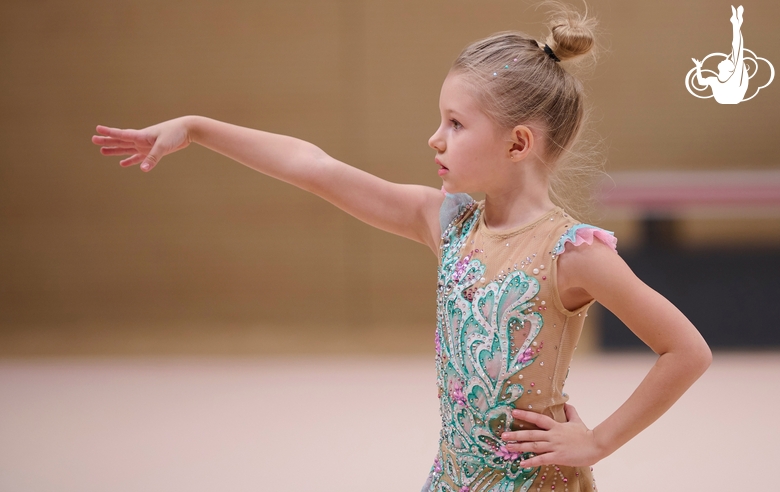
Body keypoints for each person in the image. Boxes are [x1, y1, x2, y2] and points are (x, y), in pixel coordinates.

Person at [91, 2, 712, 491]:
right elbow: (314, 166)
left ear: (518, 144)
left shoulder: (573, 253)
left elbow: (685, 350)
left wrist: (598, 441)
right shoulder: (447, 223)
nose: (434, 138)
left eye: (456, 123)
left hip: (533, 484)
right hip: (453, 479)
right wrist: (197, 129)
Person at [692, 5, 748, 104]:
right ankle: (736, 23)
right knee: (737, 52)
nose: (724, 59)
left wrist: (698, 67)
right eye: (728, 61)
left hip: (731, 96)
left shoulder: (724, 79)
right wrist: (698, 67)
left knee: (737, 51)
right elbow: (700, 82)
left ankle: (736, 23)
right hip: (731, 97)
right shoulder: (719, 79)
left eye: (726, 61)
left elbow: (701, 82)